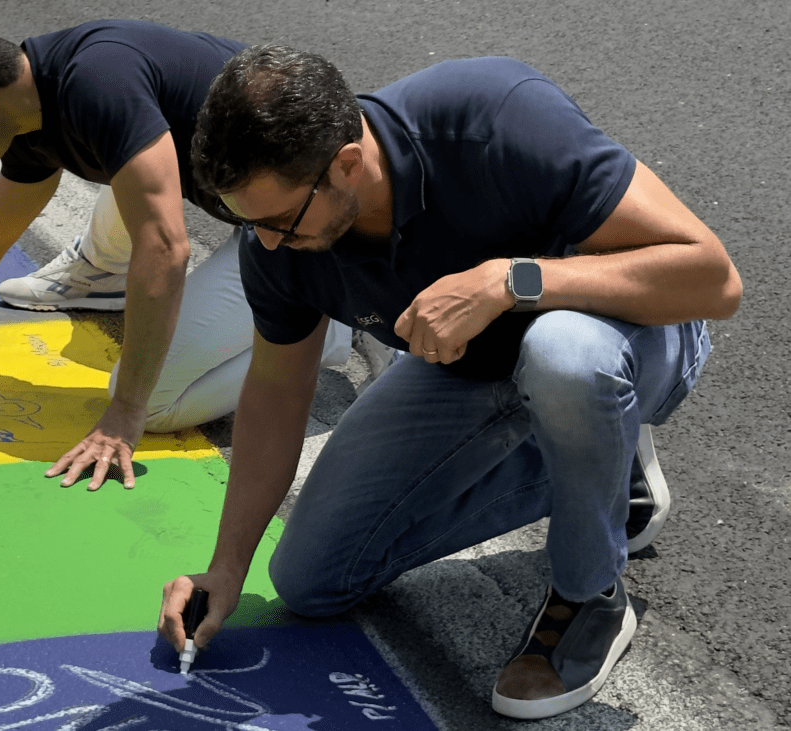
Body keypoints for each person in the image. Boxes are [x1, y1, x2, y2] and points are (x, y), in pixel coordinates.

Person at [158, 46, 741, 719]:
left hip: (622, 331)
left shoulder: (491, 117)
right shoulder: (279, 239)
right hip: (468, 367)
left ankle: (590, 596)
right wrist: (226, 565)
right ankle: (607, 468)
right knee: (310, 580)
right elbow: (277, 391)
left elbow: (710, 278)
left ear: (346, 163)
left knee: (562, 354)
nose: (263, 245)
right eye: (243, 221)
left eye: (277, 221)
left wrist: (509, 280)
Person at [0, 10, 363, 491]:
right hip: (248, 196)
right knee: (134, 164)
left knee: (151, 400)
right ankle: (108, 278)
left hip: (303, 220)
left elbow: (165, 248)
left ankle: (323, 328)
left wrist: (125, 413)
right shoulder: (31, 97)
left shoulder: (97, 82)